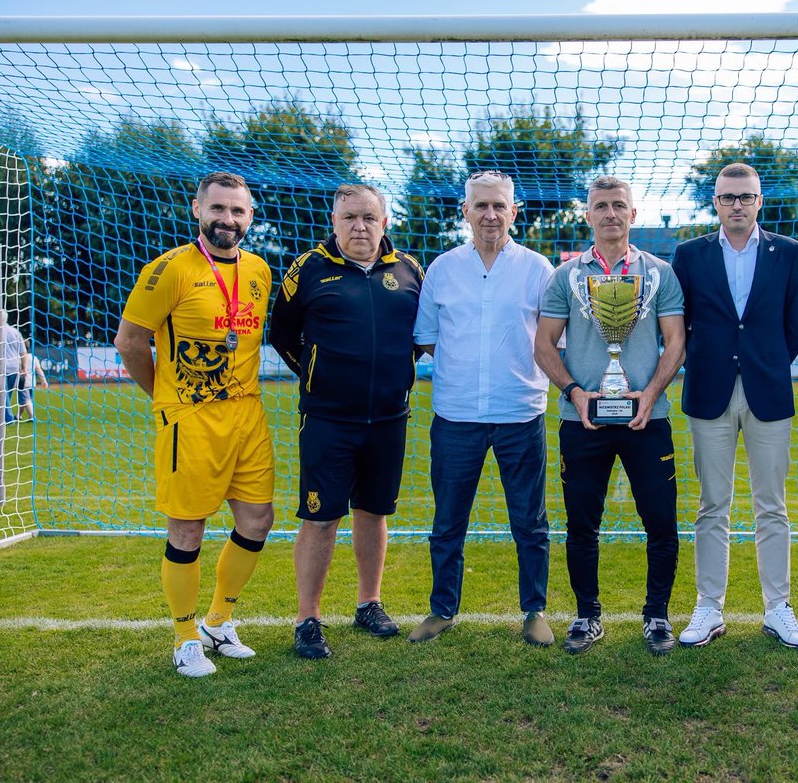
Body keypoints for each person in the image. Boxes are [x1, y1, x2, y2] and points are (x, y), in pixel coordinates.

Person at [114, 171, 275, 678]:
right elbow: (130, 342)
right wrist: (166, 397)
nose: (227, 219)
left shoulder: (259, 271)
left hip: (248, 413)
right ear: (197, 210)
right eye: (218, 209)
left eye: (238, 211)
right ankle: (185, 639)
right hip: (191, 418)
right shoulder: (169, 270)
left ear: (249, 217)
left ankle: (218, 623)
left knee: (257, 520)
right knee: (188, 528)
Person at [269, 183, 423, 660]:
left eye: (369, 218)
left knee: (374, 513)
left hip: (389, 418)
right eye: (349, 218)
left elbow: (419, 337)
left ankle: (368, 603)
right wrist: (320, 378)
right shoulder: (308, 269)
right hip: (328, 419)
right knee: (320, 517)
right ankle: (308, 618)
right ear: (333, 223)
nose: (360, 226)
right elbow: (282, 334)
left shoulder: (410, 271)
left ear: (384, 222)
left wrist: (394, 373)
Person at [533, 176, 686, 656]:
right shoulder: (566, 277)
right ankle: (587, 616)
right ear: (588, 216)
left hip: (648, 417)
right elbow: (543, 345)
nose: (610, 214)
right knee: (582, 523)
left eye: (619, 205)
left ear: (633, 215)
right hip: (584, 420)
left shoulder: (660, 272)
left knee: (661, 521)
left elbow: (675, 342)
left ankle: (657, 617)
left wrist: (651, 392)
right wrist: (576, 393)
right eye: (601, 206)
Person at [408, 170, 555, 647]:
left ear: (514, 211)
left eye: (499, 206)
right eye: (480, 205)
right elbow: (427, 338)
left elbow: (553, 338)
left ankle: (534, 610)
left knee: (529, 522)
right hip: (456, 416)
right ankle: (441, 609)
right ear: (465, 212)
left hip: (520, 414)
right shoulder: (442, 269)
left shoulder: (538, 269)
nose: (490, 214)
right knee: (448, 522)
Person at [670, 162, 798, 650]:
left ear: (759, 201)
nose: (737, 205)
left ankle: (778, 609)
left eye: (745, 197)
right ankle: (709, 607)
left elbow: (796, 326)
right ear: (715, 202)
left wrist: (763, 364)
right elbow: (679, 324)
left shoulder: (789, 253)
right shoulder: (689, 255)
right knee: (713, 505)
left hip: (767, 392)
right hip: (709, 392)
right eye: (728, 197)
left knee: (772, 506)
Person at [0, 310, 29, 424]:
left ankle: (9, 419)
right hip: (14, 367)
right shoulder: (15, 332)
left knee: (3, 394)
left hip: (1, 367)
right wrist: (24, 367)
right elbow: (23, 352)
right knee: (7, 394)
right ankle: (4, 417)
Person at [17, 340, 48, 422]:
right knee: (24, 400)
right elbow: (39, 369)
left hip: (23, 382)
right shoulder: (33, 357)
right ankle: (19, 415)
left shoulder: (19, 358)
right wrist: (43, 380)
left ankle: (32, 416)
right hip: (32, 382)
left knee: (26, 400)